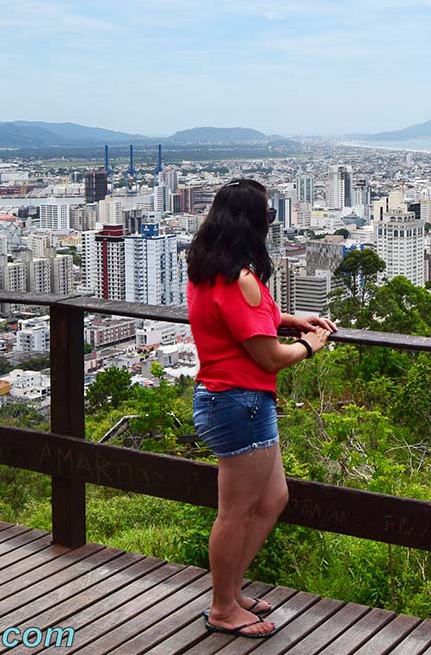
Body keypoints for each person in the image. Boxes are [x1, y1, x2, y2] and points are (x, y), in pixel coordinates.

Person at [186, 178, 335, 639]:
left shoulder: (209, 268)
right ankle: (222, 607)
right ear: (251, 222)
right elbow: (269, 356)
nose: (271, 224)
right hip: (239, 403)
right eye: (269, 216)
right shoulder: (240, 280)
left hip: (232, 401)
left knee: (272, 500)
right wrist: (309, 345)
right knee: (235, 512)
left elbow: (244, 322)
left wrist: (290, 320)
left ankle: (229, 591)